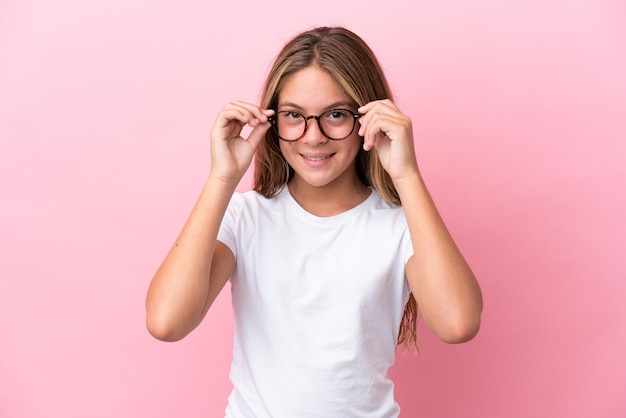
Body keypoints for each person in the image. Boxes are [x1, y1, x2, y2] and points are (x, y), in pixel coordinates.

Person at [146, 26, 483, 417]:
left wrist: (406, 175)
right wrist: (222, 178)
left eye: (335, 115)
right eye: (294, 116)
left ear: (367, 117)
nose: (313, 136)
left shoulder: (402, 226)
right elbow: (166, 322)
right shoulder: (245, 217)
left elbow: (458, 324)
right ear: (272, 121)